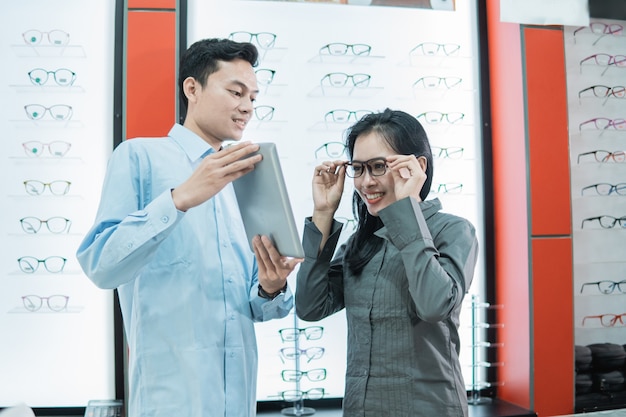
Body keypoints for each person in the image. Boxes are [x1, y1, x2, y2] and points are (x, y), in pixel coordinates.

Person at [76, 38, 301, 417]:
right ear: (192, 88)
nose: (247, 106)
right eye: (236, 92)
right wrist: (179, 199)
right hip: (170, 400)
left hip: (240, 399)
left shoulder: (244, 177)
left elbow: (259, 308)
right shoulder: (139, 157)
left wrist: (270, 285)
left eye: (253, 97)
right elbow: (101, 265)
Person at [296, 108, 479, 417]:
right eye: (358, 168)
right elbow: (310, 307)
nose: (366, 182)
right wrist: (323, 214)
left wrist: (407, 210)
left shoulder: (452, 230)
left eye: (379, 166)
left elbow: (435, 305)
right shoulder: (361, 241)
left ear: (417, 166)